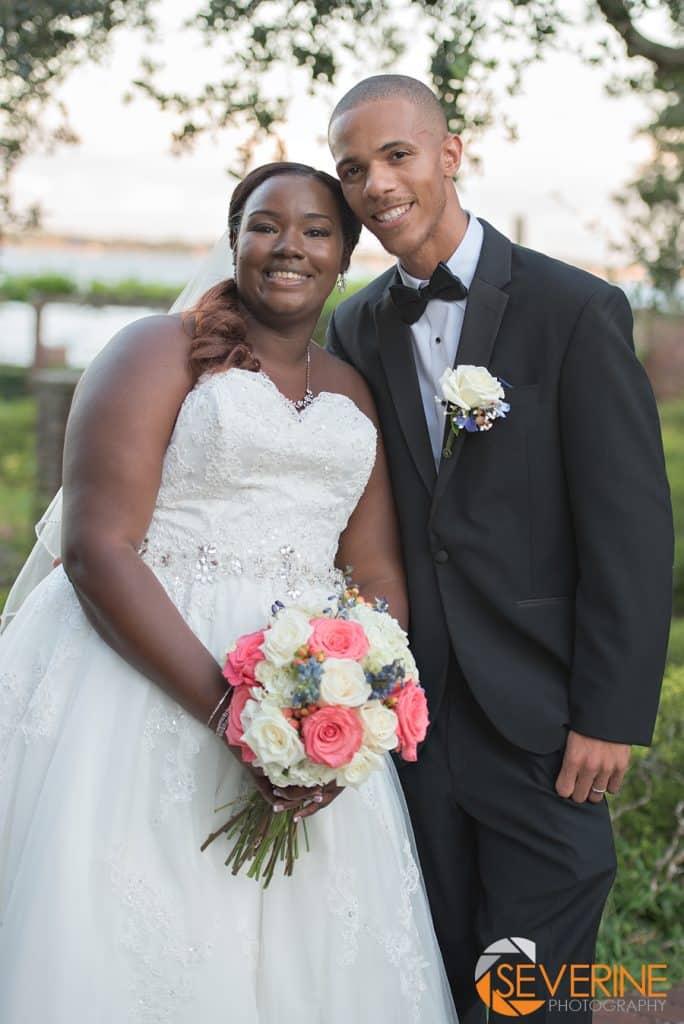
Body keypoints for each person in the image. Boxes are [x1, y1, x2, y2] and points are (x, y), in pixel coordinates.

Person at [0, 162, 459, 1023]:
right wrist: (228, 715)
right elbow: (98, 548)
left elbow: (379, 573)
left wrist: (355, 709)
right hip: (140, 680)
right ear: (234, 239)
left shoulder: (351, 391)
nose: (288, 245)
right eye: (263, 224)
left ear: (345, 253)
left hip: (306, 692)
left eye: (316, 229)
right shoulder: (155, 349)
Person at [326, 75, 674, 1023]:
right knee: (440, 962)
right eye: (353, 169)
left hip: (544, 713)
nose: (377, 184)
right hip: (415, 714)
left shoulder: (575, 310)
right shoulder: (355, 325)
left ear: (451, 152)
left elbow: (631, 528)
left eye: (396, 155)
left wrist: (611, 711)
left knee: (533, 982)